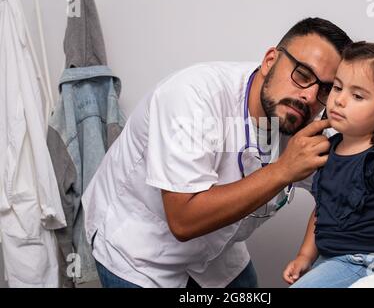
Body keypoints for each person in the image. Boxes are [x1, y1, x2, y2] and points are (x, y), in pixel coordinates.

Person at [81, 17, 352, 288]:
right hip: (140, 248)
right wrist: (283, 171)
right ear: (270, 60)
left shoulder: (307, 124)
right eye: (302, 75)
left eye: (327, 89)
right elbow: (183, 221)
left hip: (217, 250)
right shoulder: (192, 97)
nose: (309, 96)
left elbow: (348, 193)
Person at [283, 41, 374, 288]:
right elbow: (321, 210)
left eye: (357, 95)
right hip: (332, 261)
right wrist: (305, 256)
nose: (339, 100)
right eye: (337, 88)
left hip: (369, 265)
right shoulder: (330, 149)